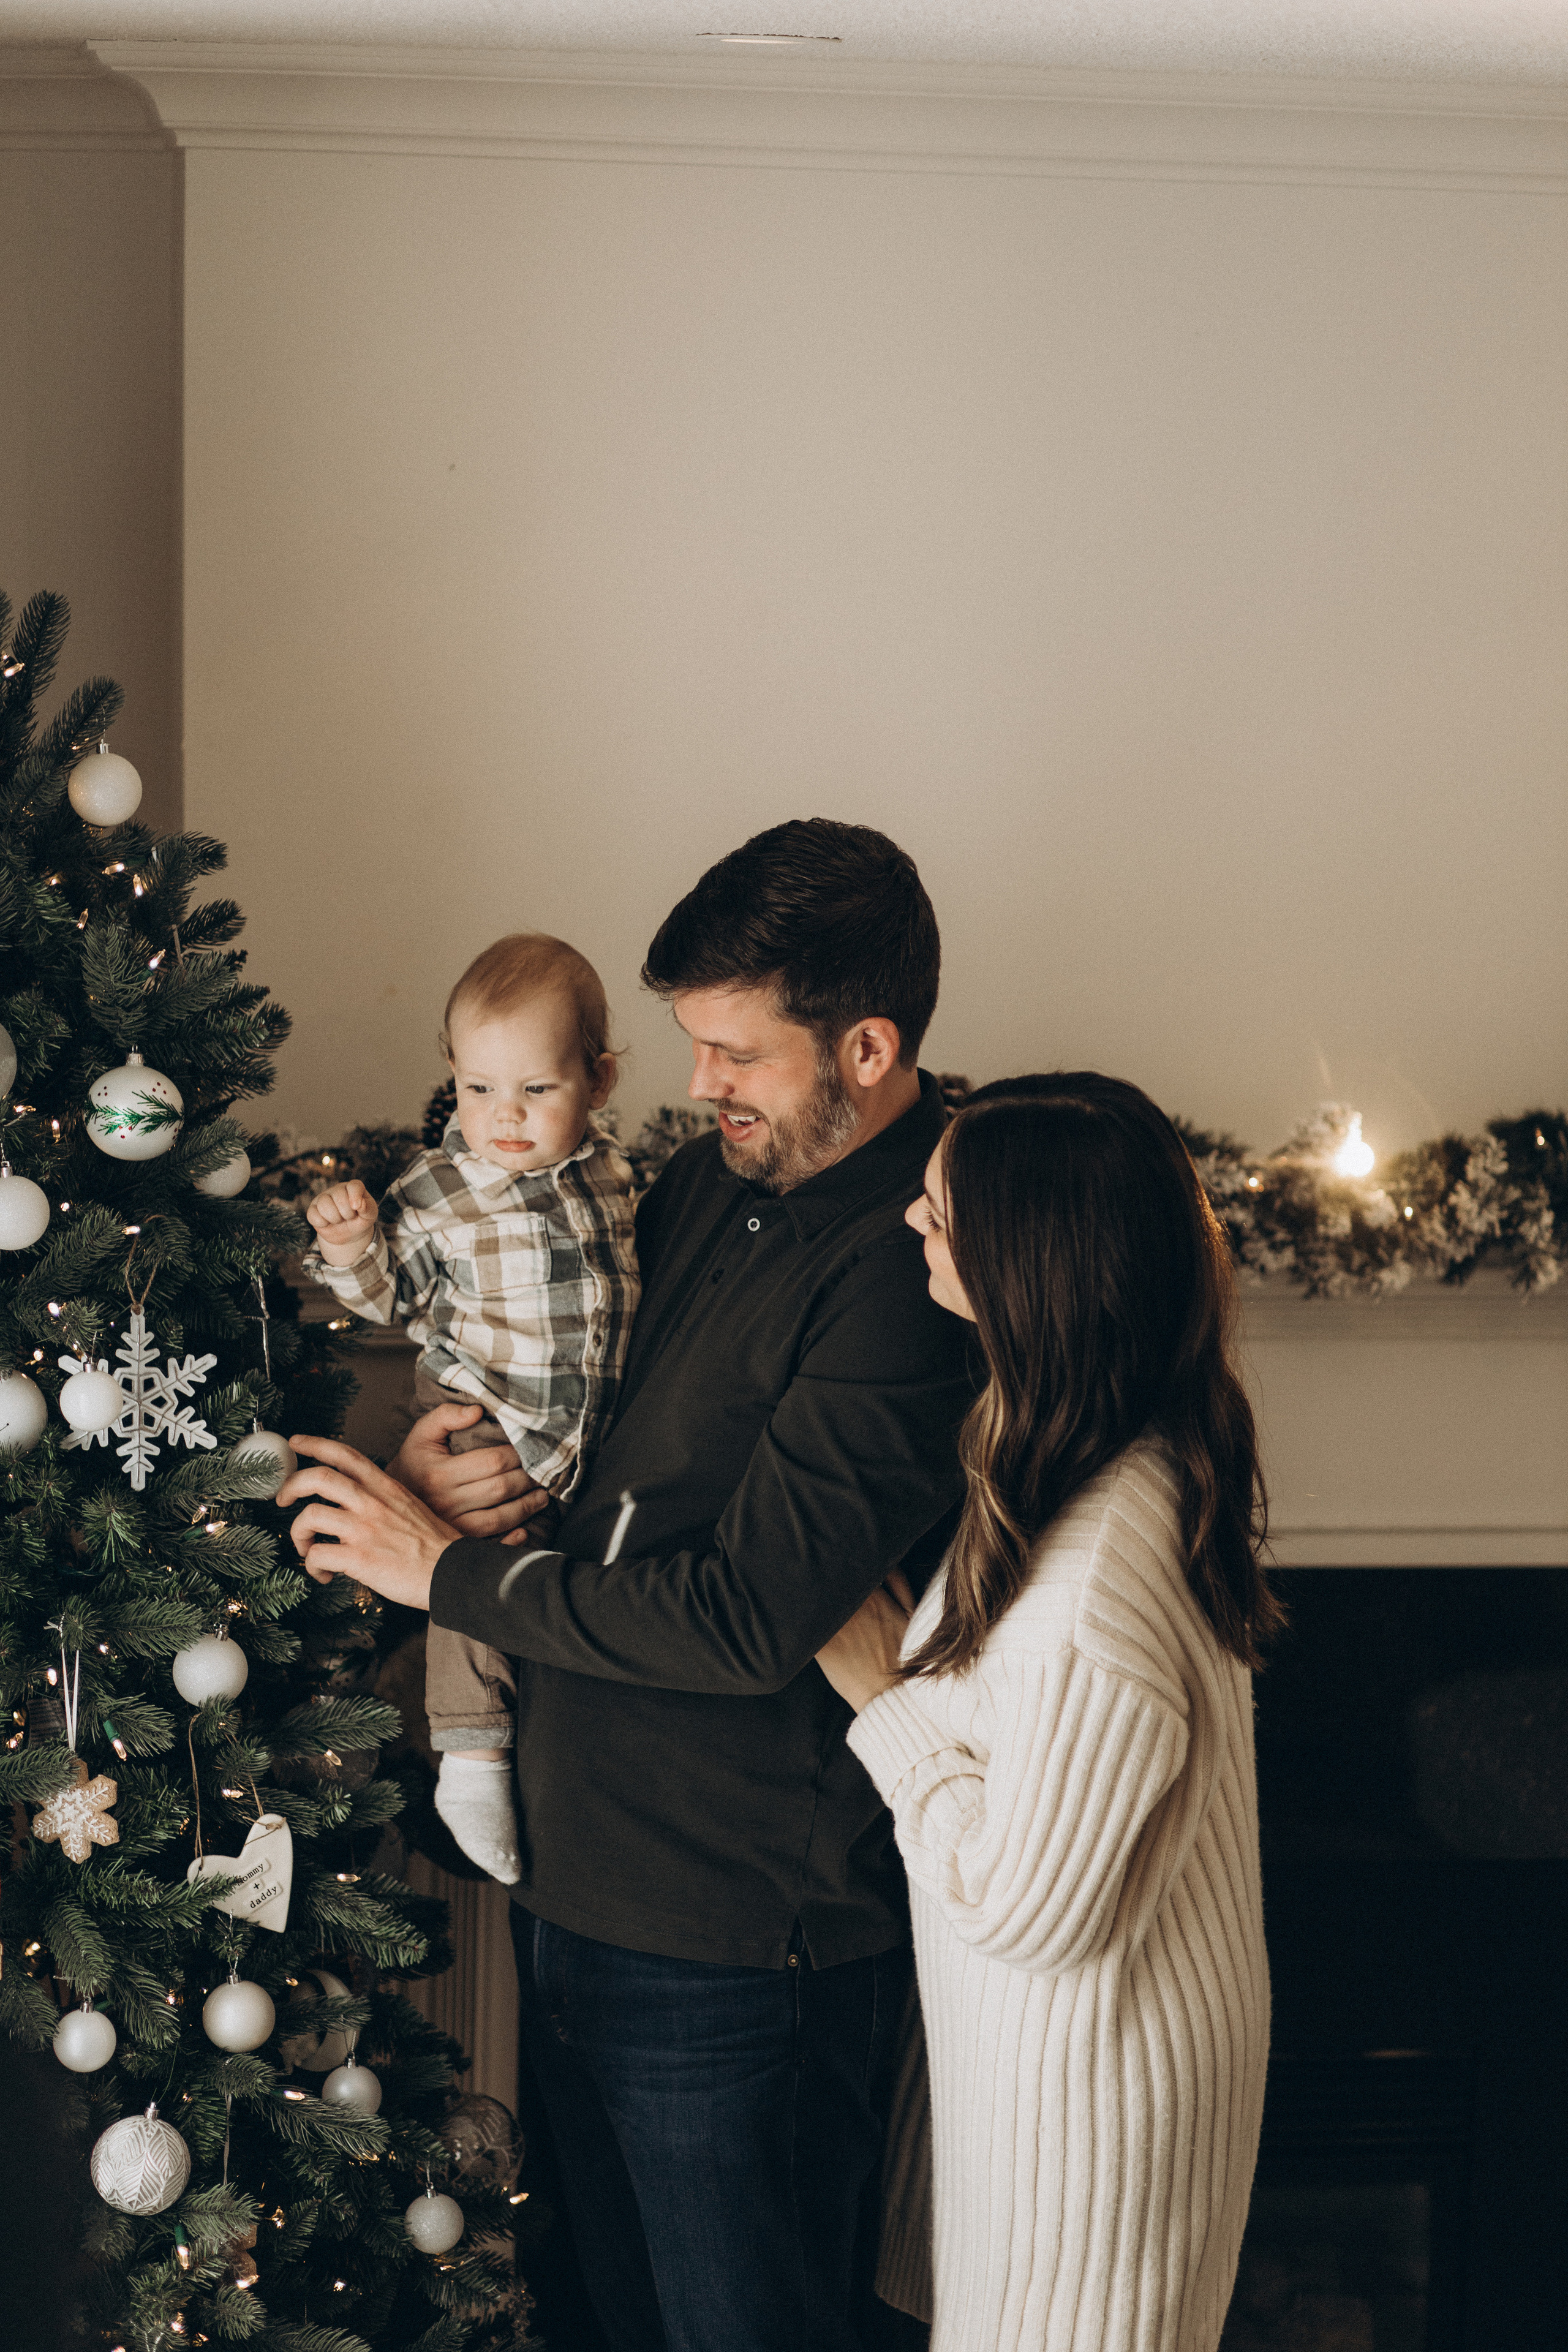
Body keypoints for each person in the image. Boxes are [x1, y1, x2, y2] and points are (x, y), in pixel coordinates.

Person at [276, 820, 982, 2352]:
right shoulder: (695, 1195)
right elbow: (591, 1456)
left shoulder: (914, 1270)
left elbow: (743, 1619)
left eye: (738, 1053)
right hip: (578, 1893)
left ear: (864, 1048)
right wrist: (464, 1474)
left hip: (741, 1948)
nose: (700, 1086)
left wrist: (444, 1567)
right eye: (690, 1047)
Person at [815, 1074, 1281, 2352]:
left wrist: (880, 1702)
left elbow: (1027, 1911)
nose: (911, 1215)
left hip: (1091, 2128)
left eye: (940, 1209)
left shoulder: (1094, 1572)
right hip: (1058, 2091)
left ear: (1029, 1263)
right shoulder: (1084, 1461)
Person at [300, 931, 639, 1883]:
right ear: (452, 1076)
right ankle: (471, 1753)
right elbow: (389, 1299)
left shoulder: (612, 1174)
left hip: (581, 1422)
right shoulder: (440, 1185)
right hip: (479, 1404)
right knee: (465, 1555)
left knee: (550, 1575)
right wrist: (353, 1245)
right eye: (480, 1089)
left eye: (537, 1090)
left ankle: (539, 1747)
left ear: (599, 1081)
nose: (507, 1117)